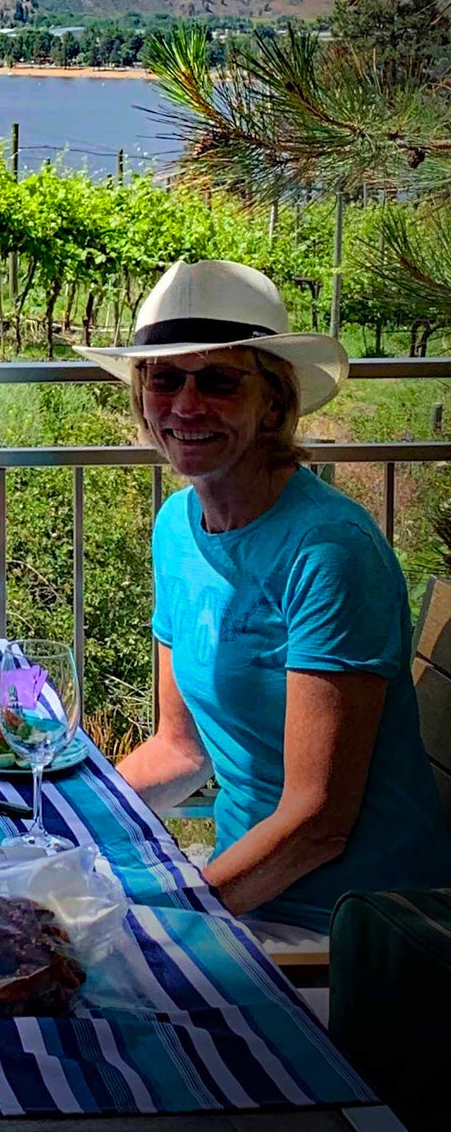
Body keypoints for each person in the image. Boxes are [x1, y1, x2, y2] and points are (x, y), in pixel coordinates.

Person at [77, 260, 449, 939]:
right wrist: (61, 825)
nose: (186, 406)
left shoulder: (329, 553)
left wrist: (159, 921)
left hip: (350, 928)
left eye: (219, 380)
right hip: (246, 891)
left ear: (272, 401)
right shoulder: (177, 528)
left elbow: (318, 825)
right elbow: (178, 750)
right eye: (165, 379)